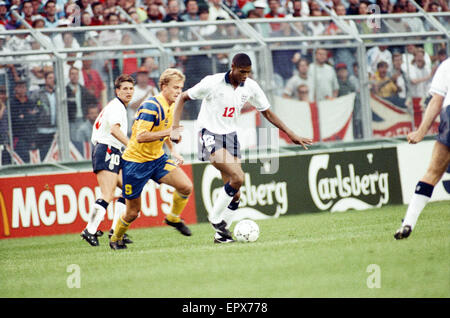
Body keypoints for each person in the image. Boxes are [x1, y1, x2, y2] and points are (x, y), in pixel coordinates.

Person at [170, 53, 313, 243]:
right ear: (233, 67)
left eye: (248, 72)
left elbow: (267, 112)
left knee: (236, 193)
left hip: (231, 136)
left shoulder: (251, 86)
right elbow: (182, 98)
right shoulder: (212, 82)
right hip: (209, 134)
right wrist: (175, 129)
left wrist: (291, 134)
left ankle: (221, 236)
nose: (245, 75)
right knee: (238, 177)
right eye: (242, 72)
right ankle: (214, 218)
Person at [109, 68, 193, 250]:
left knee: (186, 186)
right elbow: (140, 136)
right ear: (163, 87)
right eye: (175, 88)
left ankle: (172, 218)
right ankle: (116, 238)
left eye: (181, 88)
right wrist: (169, 132)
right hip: (135, 163)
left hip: (157, 159)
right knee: (132, 212)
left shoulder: (172, 105)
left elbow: (164, 131)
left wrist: (173, 150)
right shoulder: (151, 106)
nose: (179, 91)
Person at [394, 57, 450, 239]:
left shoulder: (447, 65)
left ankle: (408, 222)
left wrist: (421, 131)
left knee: (433, 173)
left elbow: (437, 101)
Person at [80, 74, 135, 247]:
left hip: (112, 150)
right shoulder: (117, 107)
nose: (128, 92)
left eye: (131, 88)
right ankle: (89, 230)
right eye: (124, 88)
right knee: (108, 194)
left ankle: (116, 230)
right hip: (107, 149)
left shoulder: (117, 106)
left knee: (129, 190)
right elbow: (114, 130)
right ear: (117, 91)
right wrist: (131, 145)